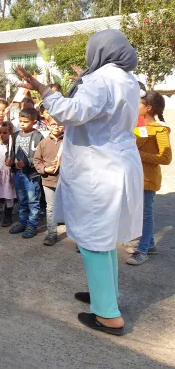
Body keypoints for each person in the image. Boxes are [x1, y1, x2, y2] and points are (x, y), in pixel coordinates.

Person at [16, 29, 143, 335]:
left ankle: (109, 315)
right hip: (115, 164)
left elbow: (70, 112)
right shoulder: (125, 78)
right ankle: (106, 296)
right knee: (105, 239)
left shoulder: (101, 79)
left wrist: (42, 89)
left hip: (99, 169)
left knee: (93, 241)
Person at [126, 90, 172, 265]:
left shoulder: (160, 130)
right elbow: (139, 142)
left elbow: (166, 158)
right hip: (135, 177)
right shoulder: (140, 124)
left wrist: (139, 154)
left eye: (139, 104)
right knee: (138, 214)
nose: (135, 106)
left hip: (148, 179)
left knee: (146, 214)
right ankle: (150, 245)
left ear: (149, 108)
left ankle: (143, 250)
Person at [6, 107, 44, 238]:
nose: (22, 123)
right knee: (21, 200)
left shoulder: (38, 136)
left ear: (34, 122)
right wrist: (9, 159)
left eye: (25, 121)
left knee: (33, 201)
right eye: (20, 121)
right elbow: (10, 151)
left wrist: (27, 163)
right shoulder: (16, 135)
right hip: (18, 173)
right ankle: (22, 222)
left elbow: (41, 156)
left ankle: (32, 225)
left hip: (31, 175)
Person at [33, 114, 65, 246]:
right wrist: (45, 169)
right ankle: (52, 233)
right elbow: (37, 160)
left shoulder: (69, 141)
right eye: (53, 124)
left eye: (59, 124)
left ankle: (78, 238)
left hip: (67, 182)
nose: (56, 127)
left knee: (71, 209)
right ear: (48, 125)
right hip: (49, 181)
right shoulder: (44, 143)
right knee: (50, 208)